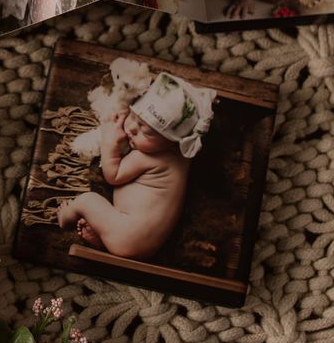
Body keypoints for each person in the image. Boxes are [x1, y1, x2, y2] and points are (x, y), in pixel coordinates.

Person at [58, 72, 216, 260]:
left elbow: (112, 175)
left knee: (88, 200)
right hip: (145, 245)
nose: (132, 128)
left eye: (146, 132)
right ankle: (104, 241)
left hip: (127, 234)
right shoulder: (182, 157)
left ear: (172, 143)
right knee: (108, 220)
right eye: (133, 117)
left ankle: (66, 216)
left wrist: (110, 141)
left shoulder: (147, 157)